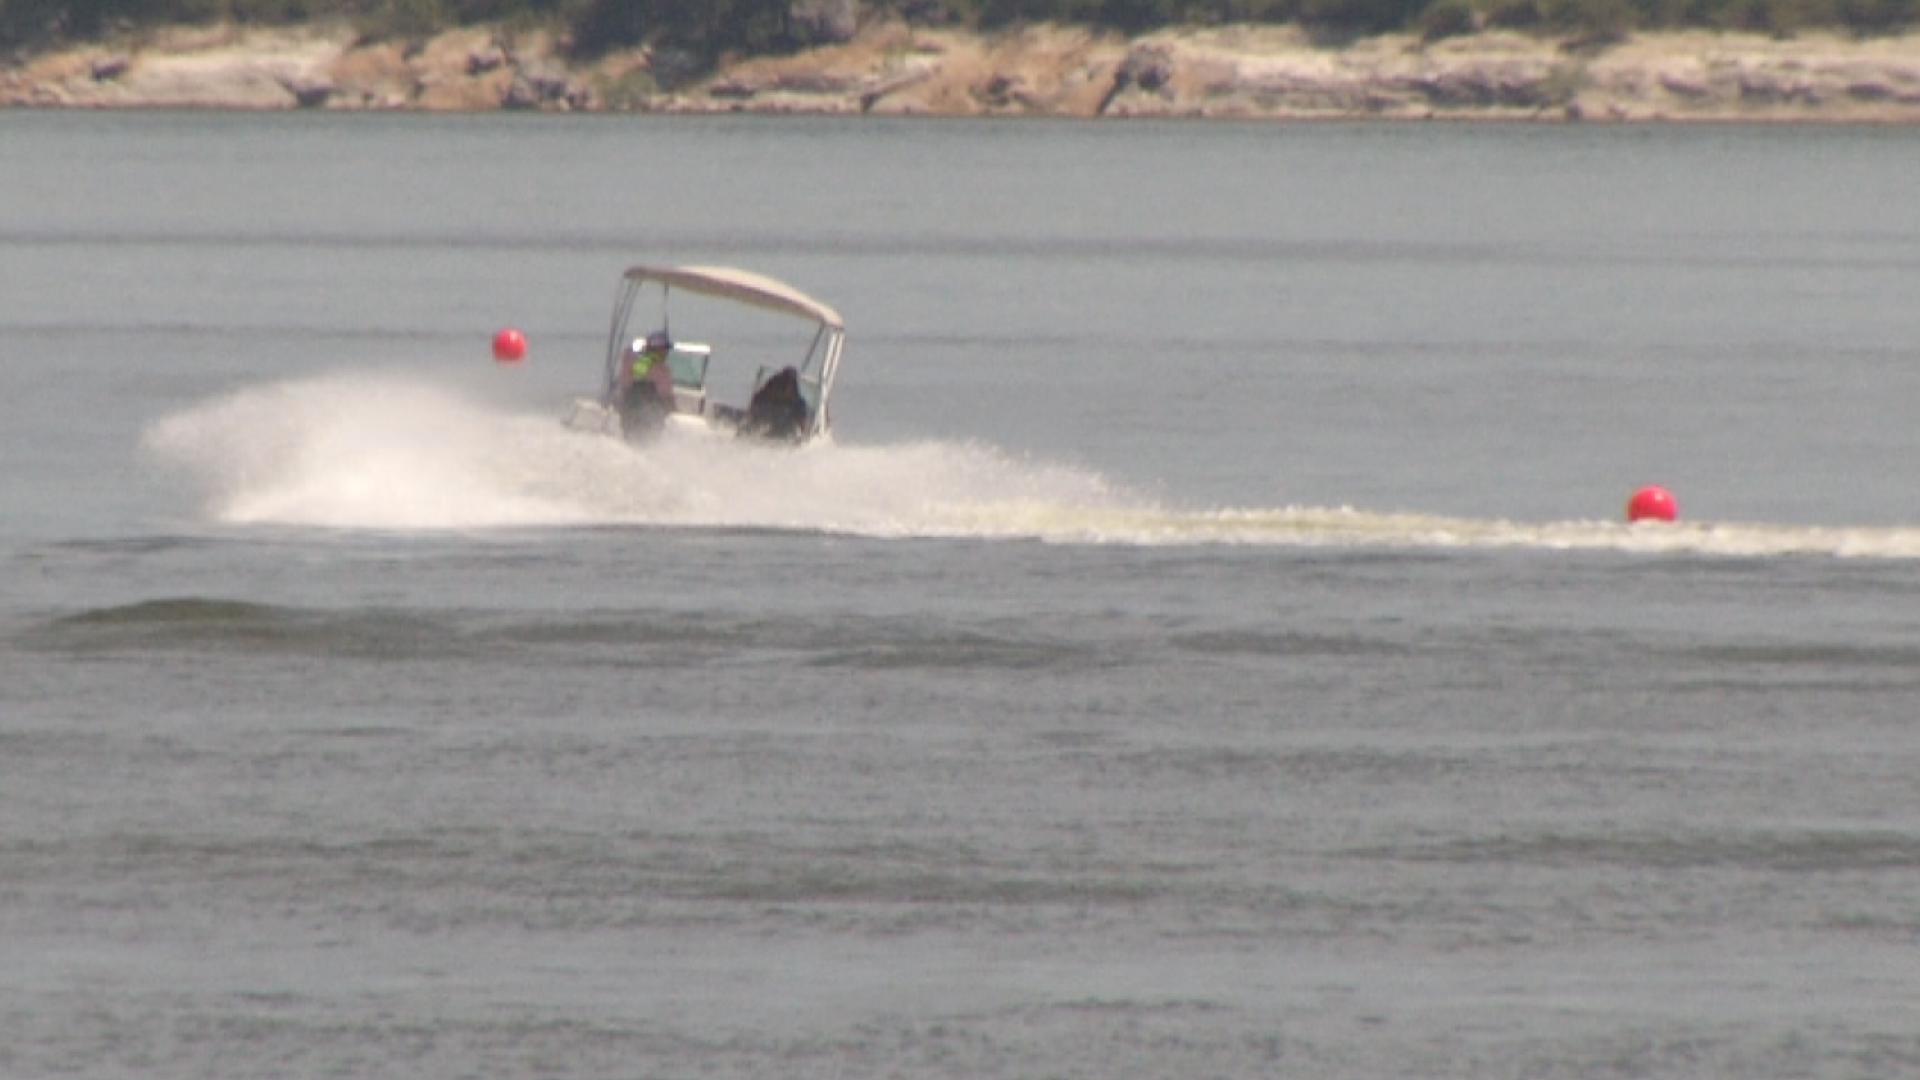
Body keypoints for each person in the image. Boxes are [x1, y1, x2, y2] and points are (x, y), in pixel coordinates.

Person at [614, 330, 676, 441]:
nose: (666, 353)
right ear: (657, 350)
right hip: (647, 418)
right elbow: (667, 399)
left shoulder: (629, 358)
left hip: (628, 410)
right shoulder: (661, 370)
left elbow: (624, 384)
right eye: (664, 349)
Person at [740, 366, 810, 443]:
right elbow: (753, 409)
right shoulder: (766, 393)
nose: (785, 388)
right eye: (783, 382)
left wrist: (803, 432)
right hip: (764, 425)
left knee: (789, 428)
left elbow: (803, 424)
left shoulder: (798, 402)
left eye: (789, 384)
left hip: (782, 433)